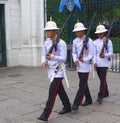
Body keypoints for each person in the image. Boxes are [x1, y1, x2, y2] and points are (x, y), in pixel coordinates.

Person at [37, 19, 71, 121]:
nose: (47, 32)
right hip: (51, 71)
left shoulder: (62, 43)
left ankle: (45, 114)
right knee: (60, 90)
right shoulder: (47, 42)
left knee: (52, 93)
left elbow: (64, 58)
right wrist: (43, 61)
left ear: (55, 31)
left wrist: (52, 57)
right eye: (46, 31)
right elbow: (44, 54)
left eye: (49, 30)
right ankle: (67, 106)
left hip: (58, 71)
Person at [71, 22, 94, 111]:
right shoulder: (75, 41)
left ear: (82, 31)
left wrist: (84, 60)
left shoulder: (89, 41)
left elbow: (91, 54)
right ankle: (89, 99)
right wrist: (75, 60)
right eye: (76, 32)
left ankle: (76, 103)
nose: (77, 33)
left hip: (85, 66)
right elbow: (74, 52)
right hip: (78, 66)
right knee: (84, 84)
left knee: (82, 85)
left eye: (78, 31)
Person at [93, 24, 113, 103]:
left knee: (102, 79)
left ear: (104, 33)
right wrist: (94, 62)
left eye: (101, 33)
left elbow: (111, 53)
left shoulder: (108, 41)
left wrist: (105, 55)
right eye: (98, 33)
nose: (99, 34)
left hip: (104, 63)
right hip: (98, 63)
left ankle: (100, 95)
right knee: (102, 79)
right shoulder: (95, 42)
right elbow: (94, 53)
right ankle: (106, 92)